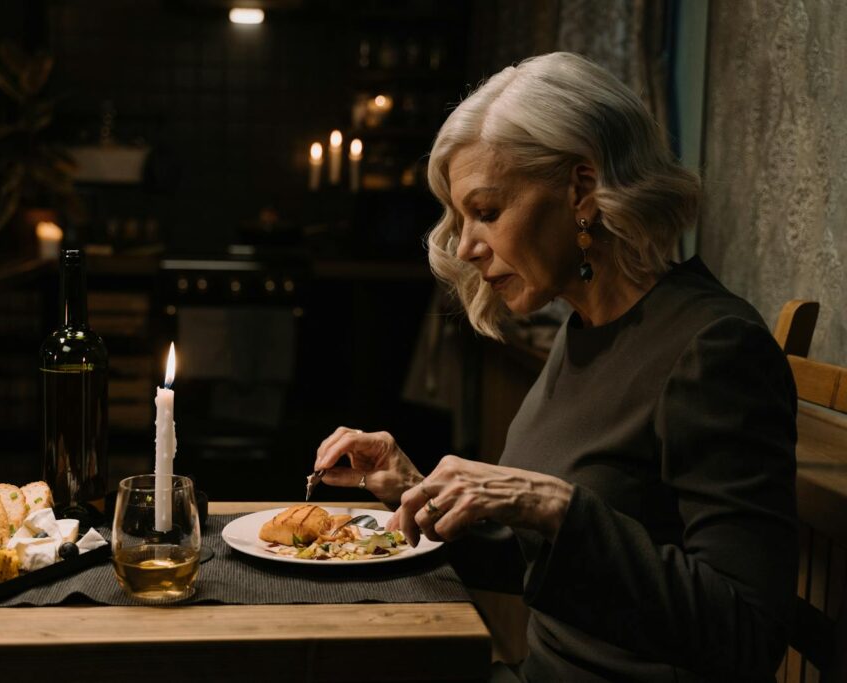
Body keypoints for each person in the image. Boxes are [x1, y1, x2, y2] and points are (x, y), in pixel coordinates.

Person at [313, 52, 797, 682]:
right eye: (461, 219)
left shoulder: (715, 347)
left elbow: (746, 634)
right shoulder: (586, 328)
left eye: (487, 212)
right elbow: (557, 564)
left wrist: (552, 504)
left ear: (581, 189)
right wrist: (417, 491)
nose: (466, 247)